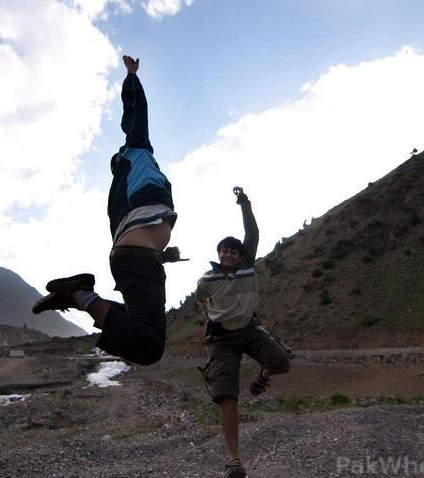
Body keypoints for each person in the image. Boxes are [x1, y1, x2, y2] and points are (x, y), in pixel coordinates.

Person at [32, 55, 184, 366]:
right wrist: (132, 77)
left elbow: (129, 234)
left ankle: (79, 295)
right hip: (137, 261)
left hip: (136, 259)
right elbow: (136, 114)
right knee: (148, 346)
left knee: (140, 328)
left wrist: (159, 253)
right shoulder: (138, 151)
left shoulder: (120, 193)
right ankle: (79, 294)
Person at [195, 187, 291, 478]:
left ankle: (261, 378)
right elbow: (201, 302)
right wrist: (211, 319)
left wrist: (245, 203)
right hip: (222, 339)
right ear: (218, 253)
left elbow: (253, 233)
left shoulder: (248, 267)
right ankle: (235, 460)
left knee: (281, 362)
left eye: (233, 251)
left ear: (240, 256)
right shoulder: (207, 280)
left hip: (249, 329)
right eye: (224, 249)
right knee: (226, 394)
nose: (228, 253)